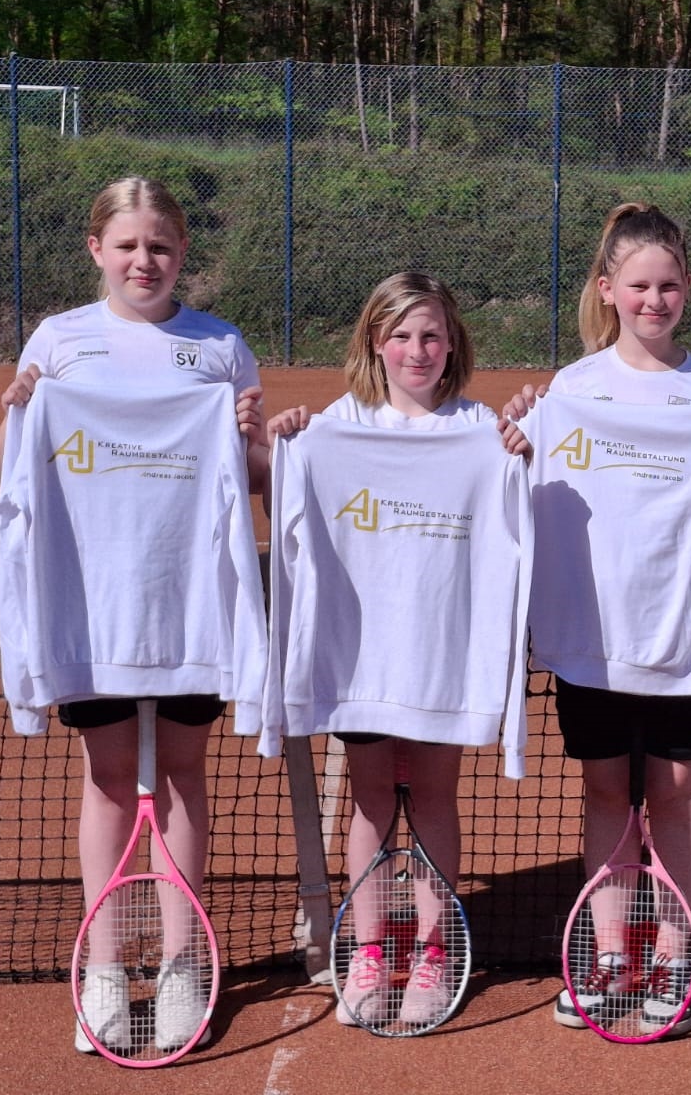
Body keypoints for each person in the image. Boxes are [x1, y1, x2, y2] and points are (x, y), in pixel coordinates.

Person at [505, 203, 691, 1039]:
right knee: (605, 792)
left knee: (676, 794)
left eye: (669, 285)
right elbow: (509, 496)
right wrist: (521, 433)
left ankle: (674, 953)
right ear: (608, 290)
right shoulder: (570, 391)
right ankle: (606, 955)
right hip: (592, 646)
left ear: (688, 289)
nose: (654, 299)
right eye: (638, 285)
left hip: (690, 646)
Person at [0, 175, 269, 1055]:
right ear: (96, 250)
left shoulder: (220, 346)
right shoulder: (60, 342)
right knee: (109, 778)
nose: (143, 260)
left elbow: (254, 477)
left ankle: (185, 968)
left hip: (191, 605)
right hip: (93, 610)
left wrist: (252, 435)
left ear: (182, 255)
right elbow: (7, 466)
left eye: (161, 246)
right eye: (128, 245)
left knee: (185, 775)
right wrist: (17, 412)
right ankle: (104, 971)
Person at [265, 272, 528, 1028]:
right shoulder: (333, 427)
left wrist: (522, 448)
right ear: (376, 342)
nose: (419, 350)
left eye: (433, 335)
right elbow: (283, 499)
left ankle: (437, 951)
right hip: (365, 656)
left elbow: (523, 514)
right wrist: (284, 445)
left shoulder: (482, 431)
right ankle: (373, 950)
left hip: (443, 655)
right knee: (372, 798)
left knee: (436, 798)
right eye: (404, 335)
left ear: (453, 345)